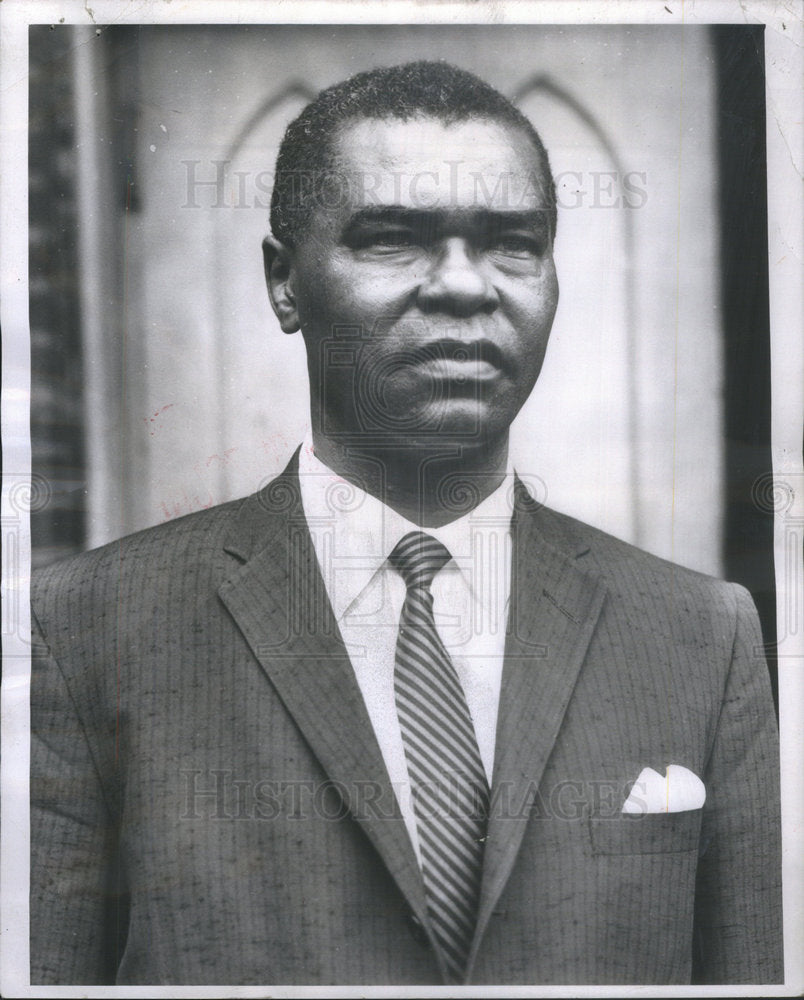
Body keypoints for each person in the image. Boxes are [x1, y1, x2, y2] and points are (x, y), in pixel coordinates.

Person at [30, 60, 782, 986]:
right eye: (392, 239)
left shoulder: (702, 637)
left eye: (514, 242)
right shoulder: (83, 627)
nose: (466, 288)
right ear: (284, 282)